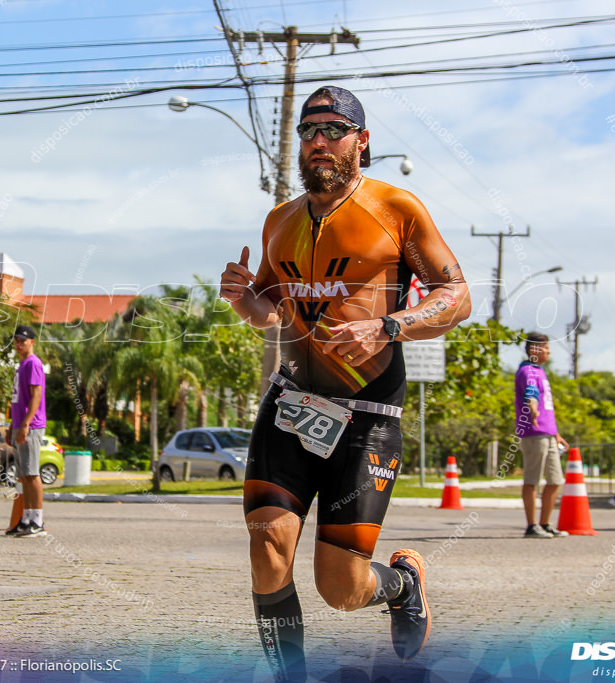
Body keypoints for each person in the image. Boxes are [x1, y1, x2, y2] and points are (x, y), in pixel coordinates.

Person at [219, 85, 470, 680]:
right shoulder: (279, 219)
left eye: (333, 130)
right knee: (268, 547)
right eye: (309, 132)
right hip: (291, 405)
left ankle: (402, 584)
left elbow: (456, 297)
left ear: (362, 140)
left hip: (368, 417)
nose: (319, 142)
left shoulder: (397, 208)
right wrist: (243, 299)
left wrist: (389, 326)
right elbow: (271, 311)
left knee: (341, 587)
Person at [514, 333, 570, 538]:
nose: (549, 351)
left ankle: (545, 523)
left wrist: (556, 433)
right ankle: (531, 526)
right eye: (546, 348)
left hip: (547, 432)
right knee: (532, 479)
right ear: (535, 350)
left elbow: (546, 405)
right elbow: (531, 393)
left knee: (555, 479)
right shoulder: (527, 371)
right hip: (533, 432)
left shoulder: (540, 371)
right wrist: (533, 409)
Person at [5, 324, 47, 537]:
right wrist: (12, 425)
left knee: (32, 473)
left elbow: (36, 395)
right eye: (17, 340)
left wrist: (25, 424)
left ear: (32, 342)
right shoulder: (21, 365)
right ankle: (27, 517)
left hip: (31, 426)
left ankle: (37, 520)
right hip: (19, 425)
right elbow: (16, 399)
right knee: (23, 474)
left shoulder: (33, 363)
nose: (19, 344)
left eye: (23, 340)